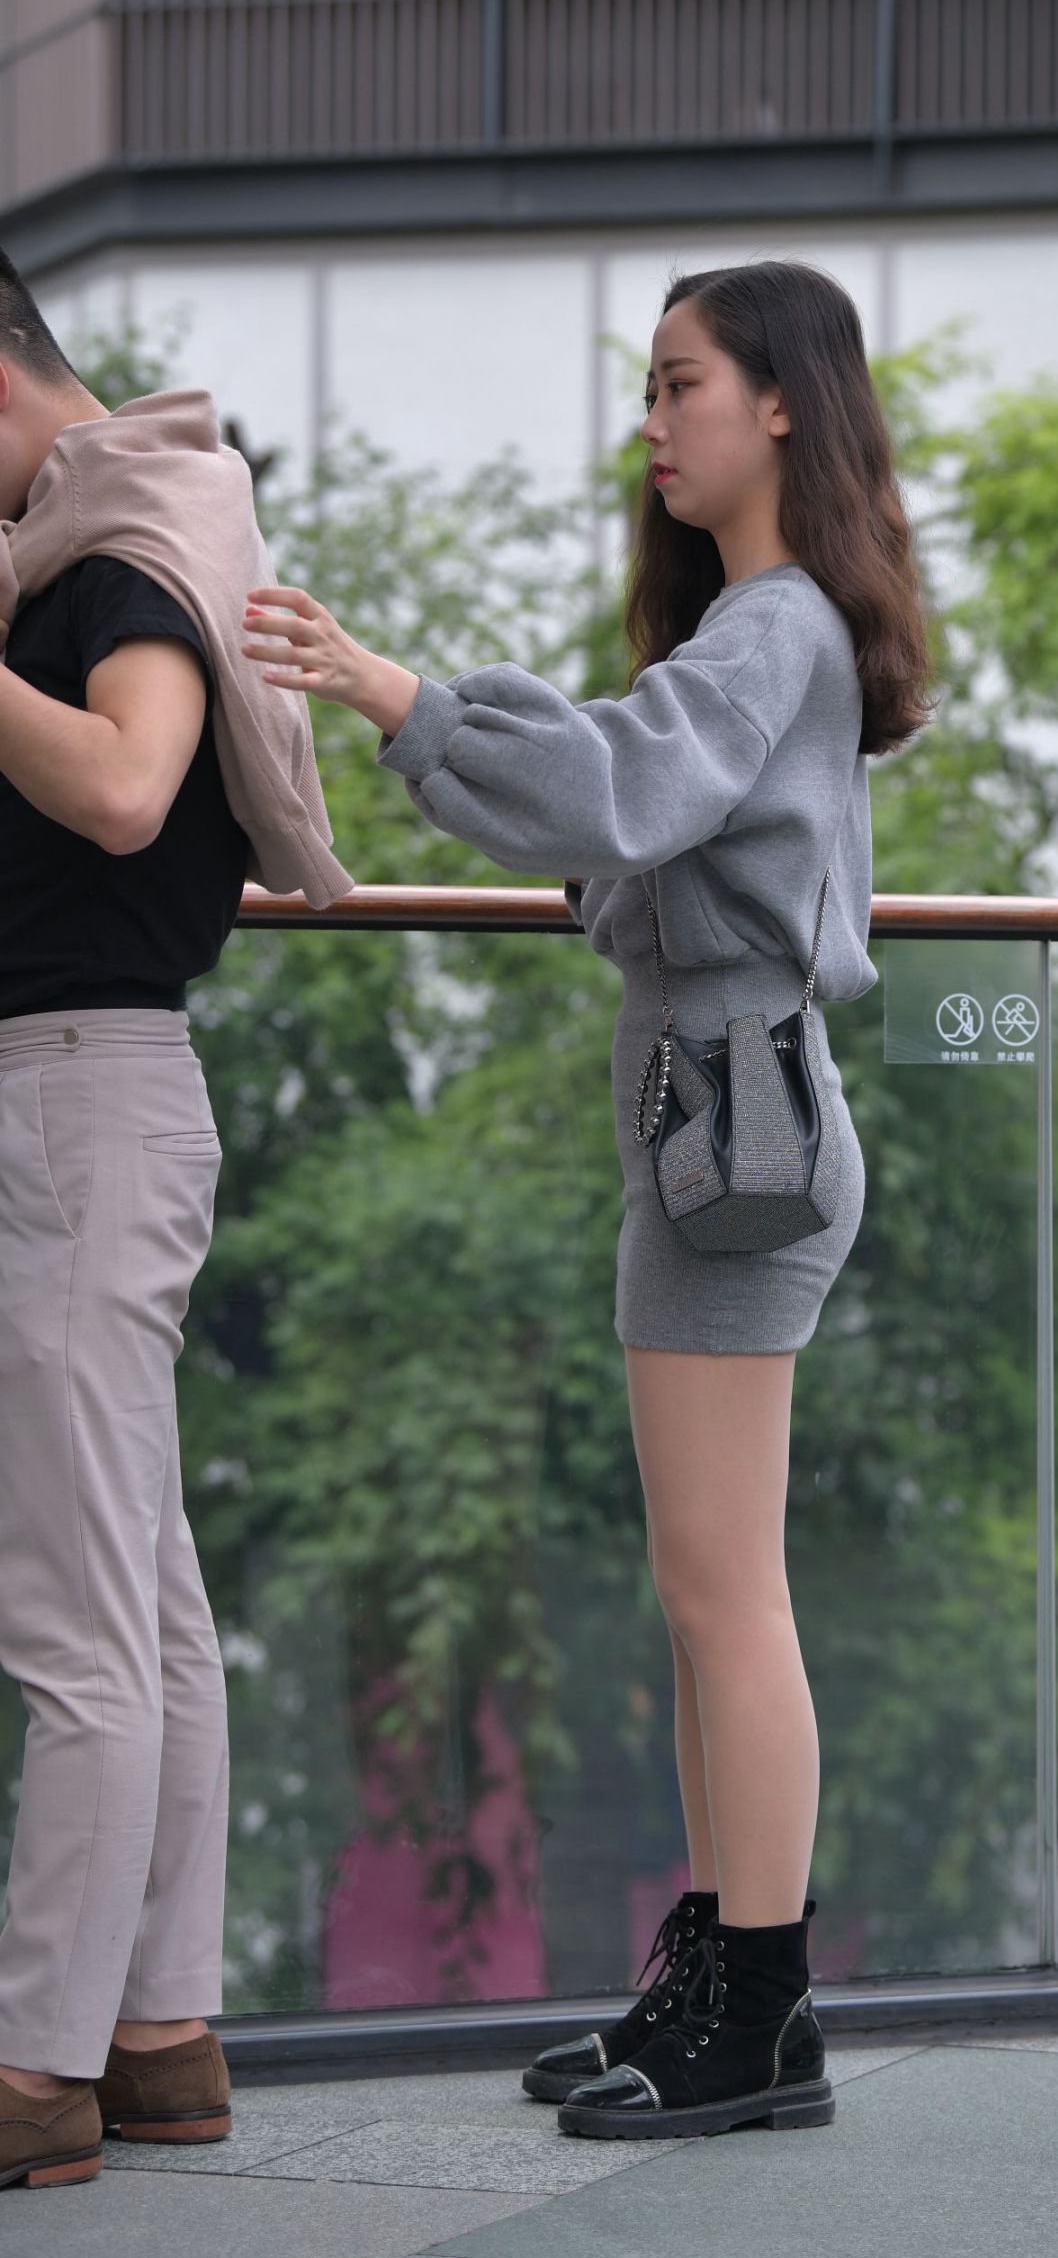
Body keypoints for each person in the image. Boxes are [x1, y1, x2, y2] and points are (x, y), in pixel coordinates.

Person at [240, 258, 932, 2142]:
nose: (653, 422)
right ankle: (721, 1977)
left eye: (678, 383)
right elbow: (627, 817)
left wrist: (393, 692)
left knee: (726, 1594)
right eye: (650, 387)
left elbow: (616, 792)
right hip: (715, 1130)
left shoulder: (775, 628)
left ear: (780, 400)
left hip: (738, 1138)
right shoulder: (757, 629)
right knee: (702, 1592)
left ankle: (760, 2010)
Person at [0, 251, 347, 2194]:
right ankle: (157, 2036)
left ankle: (38, 2064)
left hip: (72, 1101)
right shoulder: (110, 546)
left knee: (77, 1620)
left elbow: (130, 790)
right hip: (98, 1099)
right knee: (141, 1599)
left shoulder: (118, 562)